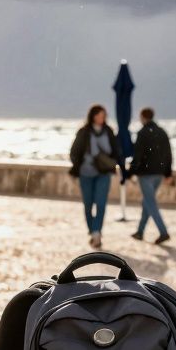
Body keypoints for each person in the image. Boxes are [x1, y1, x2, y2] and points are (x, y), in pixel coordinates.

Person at [68, 104, 119, 249]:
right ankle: (92, 231)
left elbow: (116, 150)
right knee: (88, 205)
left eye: (103, 115)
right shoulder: (84, 132)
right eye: (98, 115)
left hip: (104, 173)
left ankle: (97, 233)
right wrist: (77, 165)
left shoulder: (108, 131)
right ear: (92, 116)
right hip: (86, 173)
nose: (101, 118)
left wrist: (114, 162)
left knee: (101, 204)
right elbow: (74, 152)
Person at [129, 107, 173, 244]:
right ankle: (140, 231)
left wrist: (130, 172)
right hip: (159, 173)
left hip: (146, 174)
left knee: (151, 203)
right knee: (147, 202)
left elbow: (138, 155)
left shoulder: (142, 133)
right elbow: (168, 154)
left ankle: (163, 232)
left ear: (142, 117)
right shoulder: (162, 132)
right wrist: (168, 172)